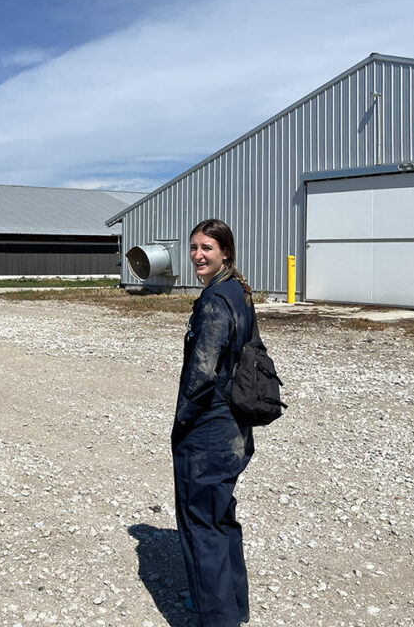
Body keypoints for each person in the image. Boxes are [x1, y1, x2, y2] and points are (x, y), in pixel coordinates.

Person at [172, 218, 255, 627]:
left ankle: (216, 617)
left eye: (207, 247)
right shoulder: (238, 293)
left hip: (210, 430)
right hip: (236, 427)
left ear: (225, 252)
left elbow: (201, 373)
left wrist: (182, 423)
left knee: (201, 522)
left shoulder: (213, 302)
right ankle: (232, 605)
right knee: (221, 516)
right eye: (193, 247)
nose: (198, 255)